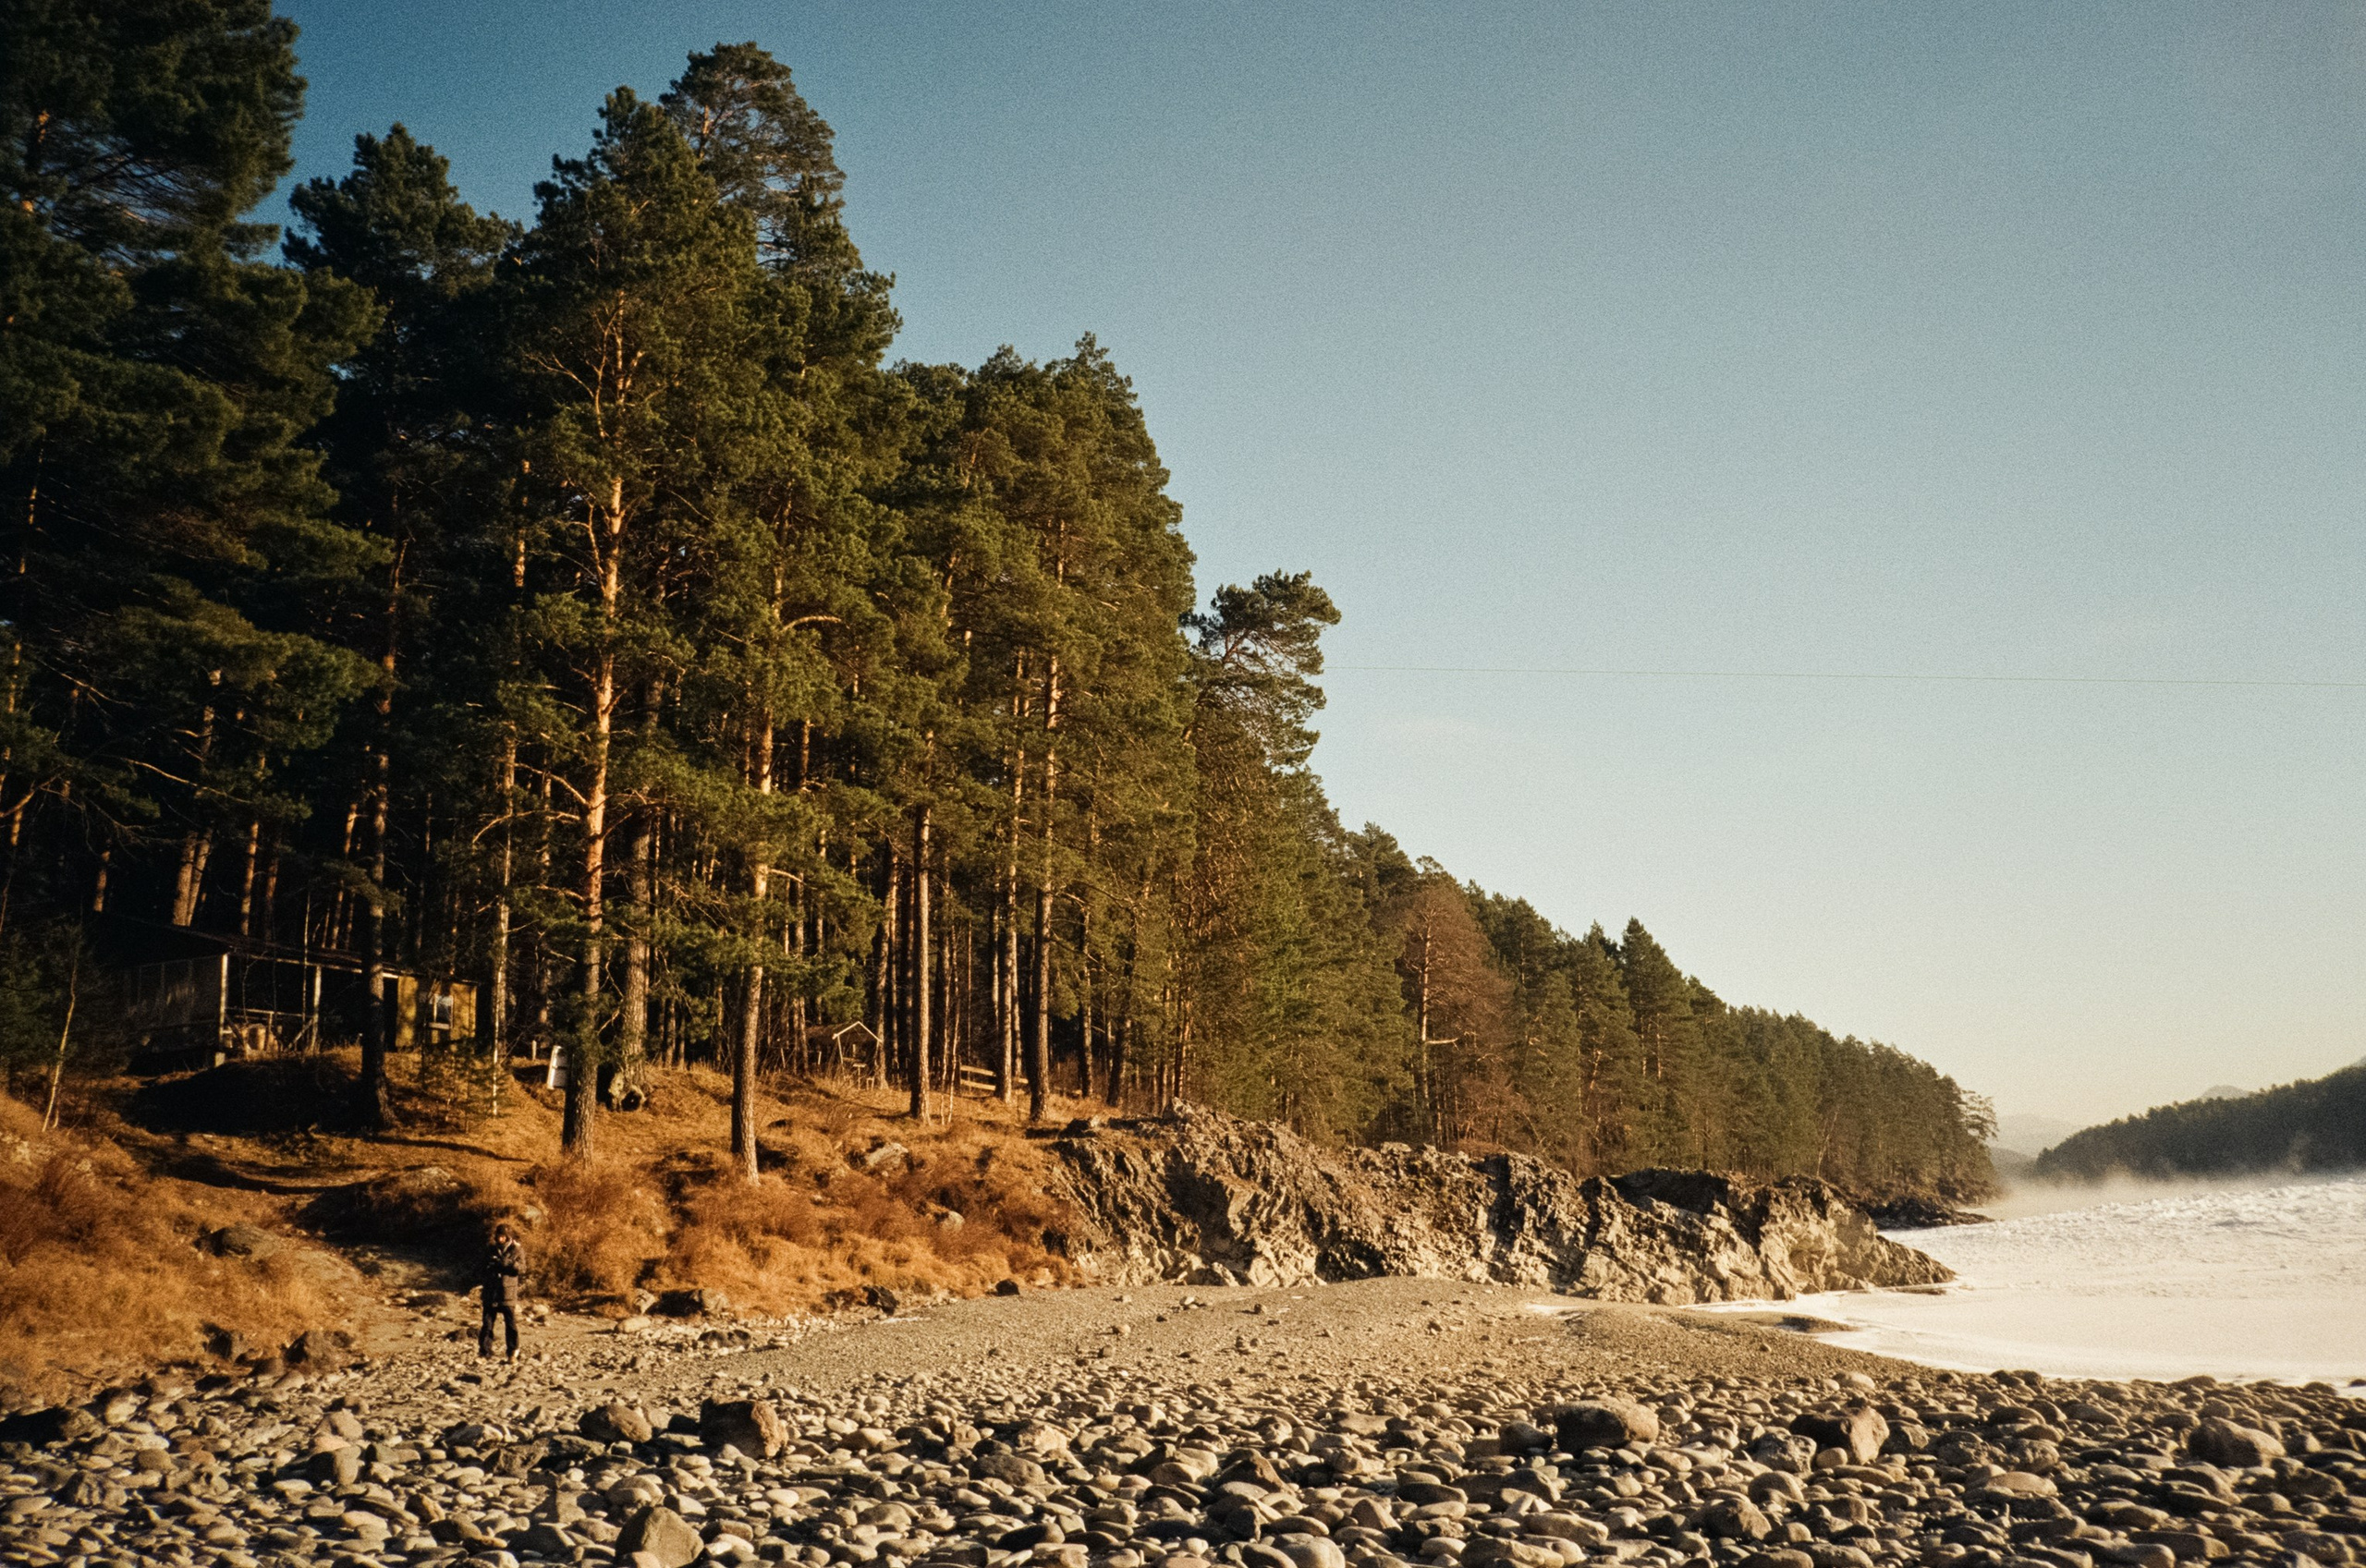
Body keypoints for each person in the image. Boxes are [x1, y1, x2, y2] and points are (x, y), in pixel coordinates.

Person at [478, 1221, 526, 1360]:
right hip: (491, 1292)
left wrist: (510, 1264)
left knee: (510, 1324)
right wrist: (489, 1266)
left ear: (508, 1236)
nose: (500, 1239)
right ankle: (484, 1352)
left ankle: (513, 1352)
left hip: (508, 1293)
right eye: (499, 1236)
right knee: (487, 1324)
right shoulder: (490, 1249)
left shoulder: (517, 1250)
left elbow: (523, 1269)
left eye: (503, 1236)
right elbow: (480, 1268)